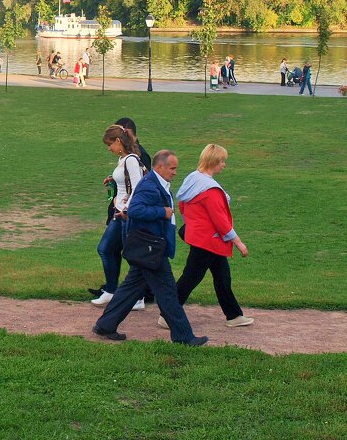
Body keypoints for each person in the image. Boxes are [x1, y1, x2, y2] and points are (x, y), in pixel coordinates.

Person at [93, 150, 207, 346]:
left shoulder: (155, 184)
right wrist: (162, 212)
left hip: (148, 247)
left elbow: (133, 210)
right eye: (172, 168)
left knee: (130, 289)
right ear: (160, 167)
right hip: (151, 248)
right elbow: (136, 209)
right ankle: (184, 337)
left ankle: (105, 325)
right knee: (168, 292)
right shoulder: (150, 186)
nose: (175, 172)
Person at [175, 144, 252, 328]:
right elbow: (221, 222)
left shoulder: (192, 179)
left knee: (222, 277)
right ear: (214, 162)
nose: (224, 165)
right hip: (209, 241)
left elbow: (183, 207)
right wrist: (239, 243)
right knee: (190, 278)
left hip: (203, 238)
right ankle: (168, 313)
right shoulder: (211, 191)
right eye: (222, 161)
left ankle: (234, 315)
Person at [92, 124, 146, 309]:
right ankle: (111, 290)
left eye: (110, 144)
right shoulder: (123, 159)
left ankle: (137, 298)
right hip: (120, 212)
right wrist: (113, 179)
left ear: (118, 141)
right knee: (105, 249)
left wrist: (128, 210)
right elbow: (126, 182)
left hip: (126, 215)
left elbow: (138, 187)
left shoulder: (131, 160)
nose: (109, 148)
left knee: (129, 255)